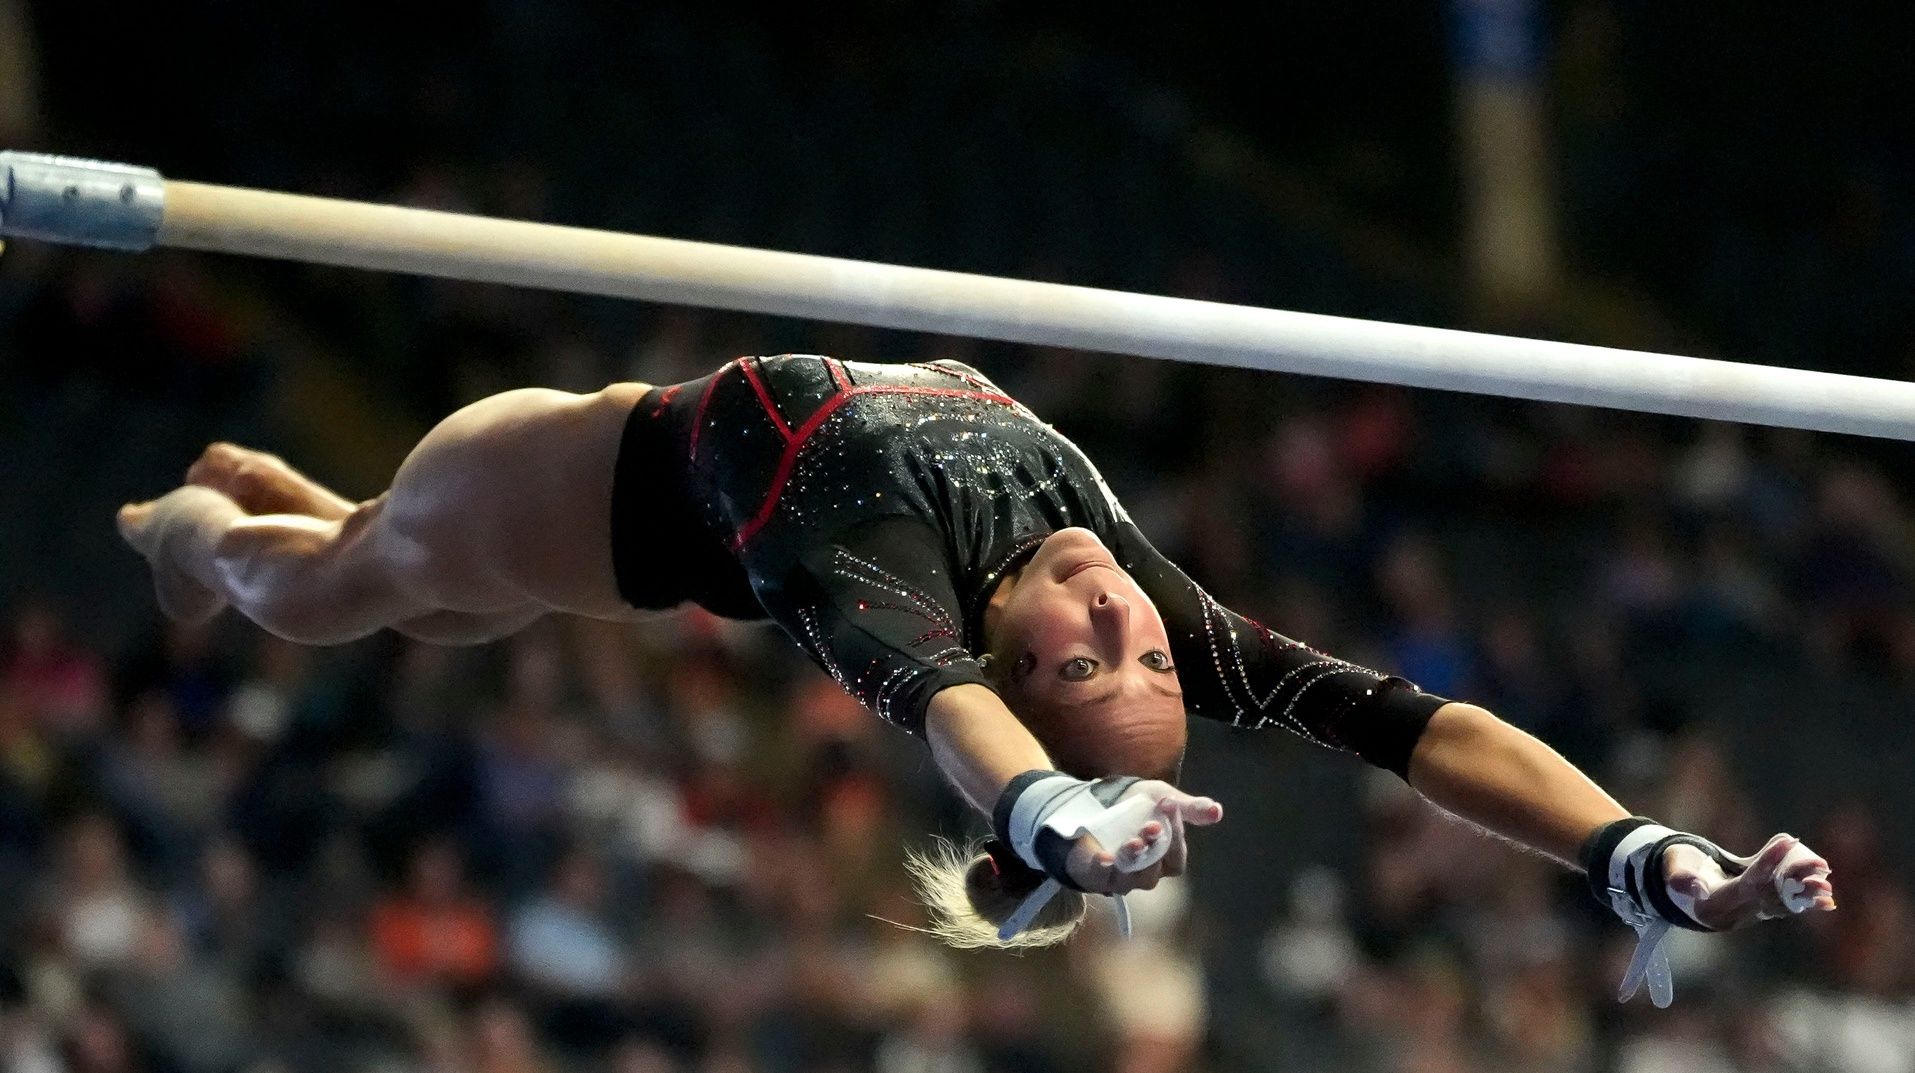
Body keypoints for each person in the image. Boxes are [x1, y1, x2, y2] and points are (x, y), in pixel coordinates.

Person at [118, 355, 1834, 980]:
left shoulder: (885, 592)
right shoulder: (1141, 594)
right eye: (1147, 642)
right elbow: (1411, 723)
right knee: (400, 583)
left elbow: (951, 723)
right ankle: (271, 502)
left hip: (551, 500)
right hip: (596, 531)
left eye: (1087, 658)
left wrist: (1060, 819)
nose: (1118, 609)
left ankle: (177, 529)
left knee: (328, 585)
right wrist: (1638, 848)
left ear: (1014, 667)